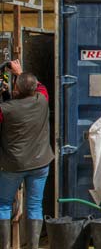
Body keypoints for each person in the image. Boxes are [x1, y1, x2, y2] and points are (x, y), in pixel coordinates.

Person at [0, 61, 53, 249]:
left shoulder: (6, 110)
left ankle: (5, 246)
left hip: (13, 165)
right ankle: (34, 246)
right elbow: (40, 86)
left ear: (17, 88)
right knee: (35, 206)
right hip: (40, 163)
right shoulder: (42, 100)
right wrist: (20, 72)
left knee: (4, 204)